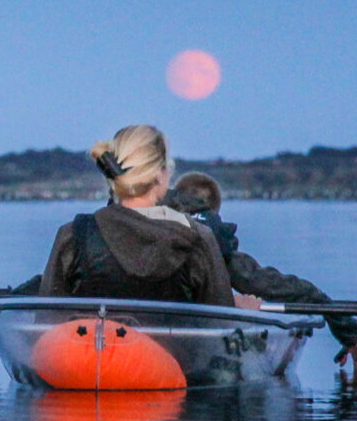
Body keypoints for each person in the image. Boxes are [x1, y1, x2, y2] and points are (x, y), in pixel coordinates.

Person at [169, 171, 357, 381]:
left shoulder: (149, 243)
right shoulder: (226, 260)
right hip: (196, 357)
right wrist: (348, 331)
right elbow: (294, 291)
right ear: (217, 213)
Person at [21, 124, 236, 305]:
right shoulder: (198, 239)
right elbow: (220, 331)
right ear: (161, 175)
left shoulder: (73, 236)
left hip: (92, 355)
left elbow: (47, 323)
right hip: (176, 356)